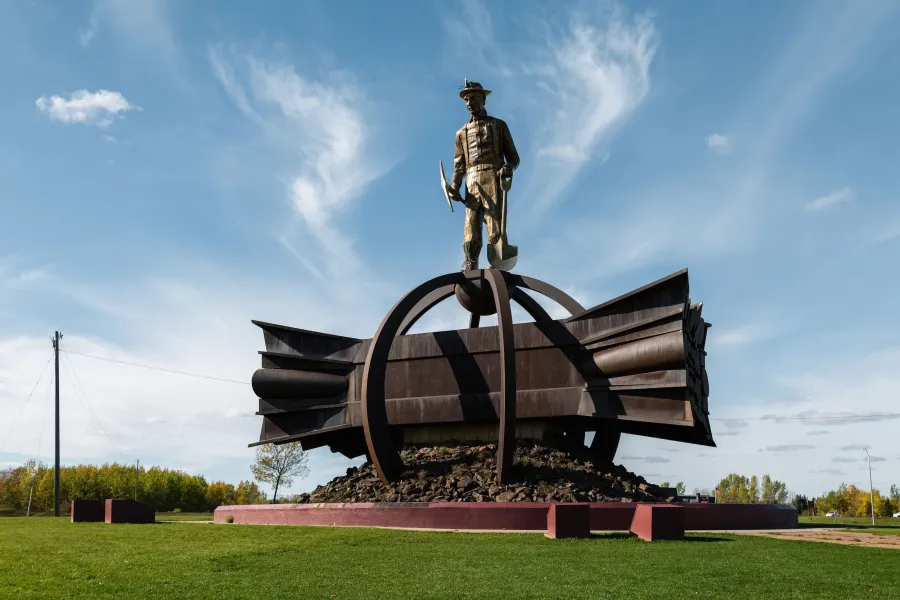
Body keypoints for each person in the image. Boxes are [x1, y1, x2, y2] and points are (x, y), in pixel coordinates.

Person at [447, 80, 520, 271]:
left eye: (473, 98)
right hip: (471, 181)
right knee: (470, 222)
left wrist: (508, 168)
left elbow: (513, 157)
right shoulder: (461, 133)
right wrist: (454, 186)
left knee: (494, 220)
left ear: (483, 100)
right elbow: (459, 165)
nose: (469, 102)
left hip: (493, 177)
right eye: (466, 100)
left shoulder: (498, 126)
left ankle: (497, 262)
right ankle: (471, 261)